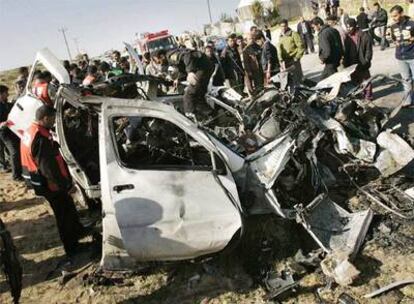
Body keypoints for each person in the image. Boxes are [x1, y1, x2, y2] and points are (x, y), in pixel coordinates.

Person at [20, 105, 88, 257]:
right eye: (51, 119)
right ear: (44, 118)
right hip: (51, 184)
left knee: (68, 208)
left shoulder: (32, 130)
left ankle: (78, 231)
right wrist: (65, 185)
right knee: (63, 214)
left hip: (42, 181)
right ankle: (72, 247)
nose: (53, 123)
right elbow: (48, 168)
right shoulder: (40, 138)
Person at [152, 48, 214, 116]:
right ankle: (212, 115)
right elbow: (182, 65)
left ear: (162, 56)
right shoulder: (170, 58)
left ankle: (190, 118)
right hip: (201, 67)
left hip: (202, 67)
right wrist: (179, 79)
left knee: (189, 95)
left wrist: (190, 72)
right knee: (198, 96)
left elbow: (187, 56)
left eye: (157, 61)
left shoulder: (170, 55)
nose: (158, 63)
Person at [343, 18, 373, 101]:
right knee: (355, 81)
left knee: (366, 80)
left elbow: (368, 50)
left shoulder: (364, 35)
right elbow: (346, 51)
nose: (348, 29)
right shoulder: (347, 37)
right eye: (347, 27)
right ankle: (359, 96)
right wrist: (345, 62)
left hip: (362, 62)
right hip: (352, 63)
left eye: (350, 27)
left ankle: (368, 96)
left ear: (355, 26)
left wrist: (367, 60)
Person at [390, 5, 414, 107]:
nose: (393, 18)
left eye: (395, 16)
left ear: (401, 13)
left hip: (412, 55)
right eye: (392, 16)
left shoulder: (412, 24)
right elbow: (393, 38)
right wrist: (395, 42)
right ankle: (408, 101)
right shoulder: (393, 26)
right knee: (406, 80)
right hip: (401, 57)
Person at [0, 85, 22, 181]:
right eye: (6, 93)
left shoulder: (7, 104)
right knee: (14, 152)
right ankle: (16, 176)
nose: (8, 94)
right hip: (4, 133)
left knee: (15, 151)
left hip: (13, 130)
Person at [277, 19, 305, 88]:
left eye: (284, 26)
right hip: (286, 62)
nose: (283, 28)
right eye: (281, 26)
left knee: (299, 79)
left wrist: (297, 57)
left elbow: (301, 46)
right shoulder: (281, 36)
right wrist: (280, 60)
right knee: (290, 81)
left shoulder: (293, 34)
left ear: (287, 25)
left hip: (294, 60)